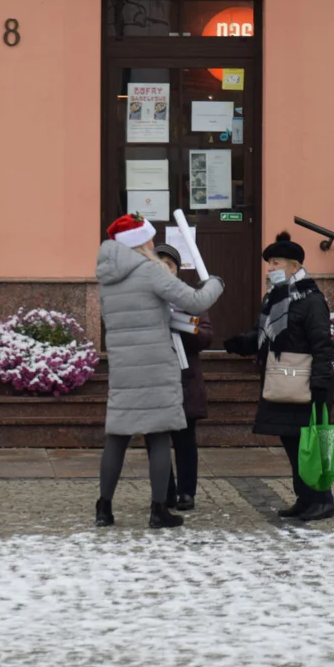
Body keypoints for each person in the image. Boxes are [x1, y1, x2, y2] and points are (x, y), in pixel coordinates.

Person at [95, 214, 224, 529]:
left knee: (117, 437)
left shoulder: (107, 277)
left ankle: (104, 508)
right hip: (155, 365)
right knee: (158, 437)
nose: (153, 244)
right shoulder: (151, 270)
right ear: (140, 242)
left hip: (124, 367)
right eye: (149, 239)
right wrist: (215, 284)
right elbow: (193, 302)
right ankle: (158, 510)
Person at [223, 231, 334, 522]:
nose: (270, 268)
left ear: (295, 266)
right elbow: (268, 338)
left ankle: (322, 501)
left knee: (308, 445)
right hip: (282, 381)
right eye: (269, 263)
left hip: (305, 384)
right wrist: (242, 343)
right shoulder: (275, 297)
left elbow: (323, 343)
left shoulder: (310, 299)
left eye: (276, 263)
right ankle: (305, 499)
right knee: (292, 445)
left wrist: (321, 383)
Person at [154, 243, 212, 512]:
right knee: (157, 439)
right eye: (160, 261)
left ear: (177, 270)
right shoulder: (145, 296)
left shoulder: (190, 298)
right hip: (154, 377)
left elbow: (206, 336)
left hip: (184, 378)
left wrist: (185, 325)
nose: (165, 267)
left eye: (170, 263)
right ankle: (163, 492)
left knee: (185, 438)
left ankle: (186, 492)